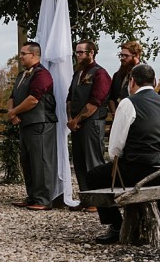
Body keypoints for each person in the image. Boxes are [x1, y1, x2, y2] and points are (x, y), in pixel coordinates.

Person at [82, 63, 160, 244]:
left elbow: (115, 148)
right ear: (155, 82)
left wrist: (118, 161)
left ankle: (115, 225)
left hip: (142, 170)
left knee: (94, 176)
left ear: (132, 81)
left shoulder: (129, 103)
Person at [7, 41, 58, 211]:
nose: (20, 57)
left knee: (41, 161)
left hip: (40, 123)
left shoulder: (42, 74)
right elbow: (13, 95)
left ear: (34, 55)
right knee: (27, 161)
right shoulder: (22, 75)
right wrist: (11, 112)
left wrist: (14, 112)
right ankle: (32, 195)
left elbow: (33, 99)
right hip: (26, 123)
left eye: (23, 54)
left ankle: (44, 199)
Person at [66, 40, 111, 194]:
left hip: (92, 123)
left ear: (91, 53)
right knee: (79, 162)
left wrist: (77, 120)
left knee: (93, 162)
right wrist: (71, 120)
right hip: (76, 125)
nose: (77, 55)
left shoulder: (100, 73)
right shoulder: (78, 73)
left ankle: (98, 198)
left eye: (81, 52)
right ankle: (85, 196)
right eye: (76, 52)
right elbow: (70, 97)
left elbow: (95, 102)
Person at [108, 40, 142, 115]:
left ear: (136, 56)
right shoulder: (117, 75)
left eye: (126, 56)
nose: (122, 58)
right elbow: (111, 98)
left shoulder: (144, 74)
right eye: (121, 55)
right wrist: (115, 114)